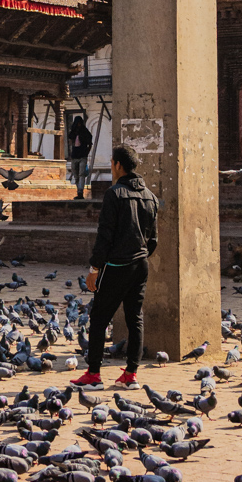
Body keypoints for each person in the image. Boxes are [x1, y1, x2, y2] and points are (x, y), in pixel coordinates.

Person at [71, 143, 159, 389]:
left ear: (118, 165)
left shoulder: (114, 194)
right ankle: (130, 375)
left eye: (112, 162)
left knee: (99, 318)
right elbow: (153, 240)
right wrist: (139, 256)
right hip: (141, 265)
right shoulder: (150, 197)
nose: (111, 166)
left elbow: (105, 236)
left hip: (117, 265)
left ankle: (94, 375)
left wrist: (94, 269)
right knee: (135, 318)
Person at [67, 116, 94, 199]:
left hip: (82, 156)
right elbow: (70, 140)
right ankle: (78, 190)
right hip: (74, 156)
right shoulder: (73, 132)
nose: (78, 125)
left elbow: (90, 143)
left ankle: (80, 192)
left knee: (81, 174)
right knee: (76, 175)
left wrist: (86, 152)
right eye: (77, 123)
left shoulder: (85, 132)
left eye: (79, 123)